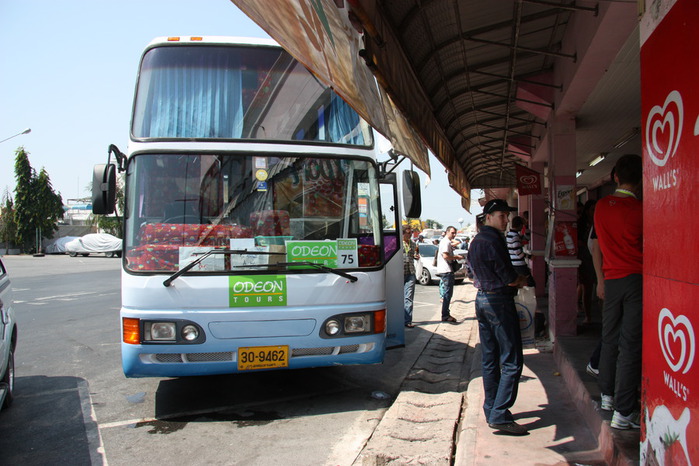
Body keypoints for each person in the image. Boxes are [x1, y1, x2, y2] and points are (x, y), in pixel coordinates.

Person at [468, 199, 528, 435]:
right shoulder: (494, 240)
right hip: (498, 302)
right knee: (512, 360)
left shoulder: (476, 241)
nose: (506, 220)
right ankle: (500, 415)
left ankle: (492, 408)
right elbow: (509, 278)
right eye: (501, 216)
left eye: (506, 215)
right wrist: (522, 279)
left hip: (482, 300)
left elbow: (471, 272)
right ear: (488, 217)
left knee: (490, 359)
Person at [594, 154, 643, 430]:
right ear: (642, 179)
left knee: (609, 338)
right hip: (635, 279)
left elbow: (597, 247)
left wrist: (600, 279)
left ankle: (607, 397)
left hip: (611, 280)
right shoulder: (640, 210)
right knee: (631, 344)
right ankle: (624, 412)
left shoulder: (601, 206)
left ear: (615, 177)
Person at [437, 226, 460, 323]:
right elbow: (446, 256)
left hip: (447, 270)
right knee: (447, 294)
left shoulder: (447, 241)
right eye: (452, 233)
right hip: (446, 270)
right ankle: (445, 315)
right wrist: (456, 257)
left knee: (447, 294)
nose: (454, 235)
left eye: (455, 233)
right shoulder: (445, 242)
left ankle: (446, 313)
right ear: (447, 232)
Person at [506, 216, 535, 287]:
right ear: (519, 225)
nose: (522, 227)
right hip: (519, 264)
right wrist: (529, 256)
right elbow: (518, 252)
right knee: (530, 283)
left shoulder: (509, 235)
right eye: (522, 225)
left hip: (513, 263)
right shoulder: (515, 236)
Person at [402, 225, 420, 328]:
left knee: (408, 298)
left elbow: (413, 255)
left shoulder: (413, 244)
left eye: (411, 233)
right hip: (399, 273)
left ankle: (407, 321)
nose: (410, 235)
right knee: (398, 298)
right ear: (403, 233)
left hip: (410, 272)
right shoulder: (397, 244)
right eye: (408, 233)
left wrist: (416, 256)